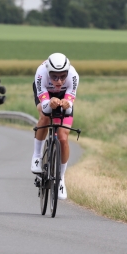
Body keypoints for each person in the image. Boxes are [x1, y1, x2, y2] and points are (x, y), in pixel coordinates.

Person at [31, 53, 79, 200]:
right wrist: (49, 102)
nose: (59, 81)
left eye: (63, 76)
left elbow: (69, 108)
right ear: (48, 72)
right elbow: (45, 107)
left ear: (68, 73)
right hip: (45, 93)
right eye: (54, 76)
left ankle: (61, 178)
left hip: (64, 95)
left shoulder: (73, 76)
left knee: (63, 138)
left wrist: (67, 103)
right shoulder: (41, 74)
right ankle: (37, 155)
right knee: (45, 116)